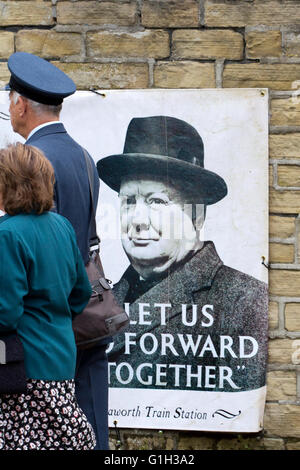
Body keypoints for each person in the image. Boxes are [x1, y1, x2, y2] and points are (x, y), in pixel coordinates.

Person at [97, 115, 268, 392]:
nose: (138, 219)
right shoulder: (104, 298)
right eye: (129, 201)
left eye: (157, 201)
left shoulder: (246, 301)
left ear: (197, 215)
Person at [6, 52, 110, 450]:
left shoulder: (31, 163)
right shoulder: (83, 156)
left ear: (20, 104)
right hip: (84, 314)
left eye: (10, 100)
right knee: (88, 428)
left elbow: (35, 246)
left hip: (42, 326)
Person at [0, 143, 96, 450]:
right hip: (61, 356)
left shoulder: (7, 234)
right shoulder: (62, 226)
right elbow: (81, 294)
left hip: (22, 364)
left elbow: (5, 313)